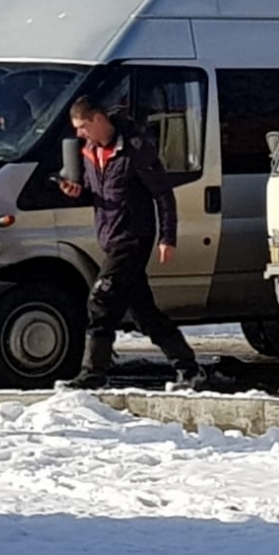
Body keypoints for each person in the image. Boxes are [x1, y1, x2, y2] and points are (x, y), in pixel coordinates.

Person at [56, 95, 208, 390]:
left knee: (100, 301)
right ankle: (189, 368)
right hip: (110, 239)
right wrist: (78, 192)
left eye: (82, 127)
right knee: (143, 313)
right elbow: (96, 193)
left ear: (98, 119)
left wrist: (168, 237)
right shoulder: (90, 152)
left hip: (134, 238)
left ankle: (94, 373)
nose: (79, 134)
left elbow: (163, 194)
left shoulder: (135, 149)